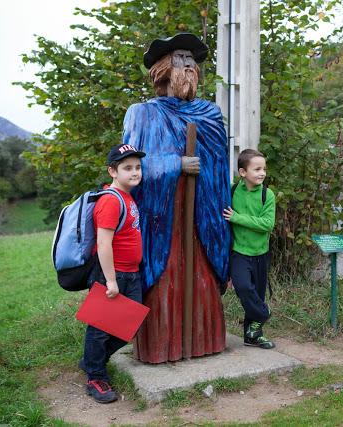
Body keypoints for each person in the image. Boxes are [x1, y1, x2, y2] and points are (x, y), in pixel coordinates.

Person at [123, 33, 230, 363]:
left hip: (200, 218)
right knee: (165, 285)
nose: (190, 68)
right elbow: (132, 167)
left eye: (192, 61)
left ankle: (203, 341)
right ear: (164, 69)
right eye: (182, 60)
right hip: (163, 221)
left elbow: (220, 167)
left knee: (201, 281)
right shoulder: (142, 113)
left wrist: (202, 168)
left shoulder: (210, 115)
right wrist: (175, 164)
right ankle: (161, 347)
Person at [80, 143, 146, 403]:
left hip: (131, 273)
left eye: (138, 167)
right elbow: (104, 243)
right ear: (112, 171)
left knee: (129, 326)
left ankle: (91, 361)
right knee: (99, 328)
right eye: (127, 168)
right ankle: (96, 377)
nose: (135, 172)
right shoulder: (110, 200)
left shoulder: (128, 196)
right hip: (113, 274)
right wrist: (110, 281)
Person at [223, 149, 276, 349]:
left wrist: (237, 218)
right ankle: (263, 313)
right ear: (243, 172)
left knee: (258, 292)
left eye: (263, 169)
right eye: (257, 169)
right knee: (244, 287)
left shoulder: (267, 194)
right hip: (239, 252)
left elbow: (267, 224)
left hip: (261, 254)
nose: (262, 173)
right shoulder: (232, 190)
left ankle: (253, 335)